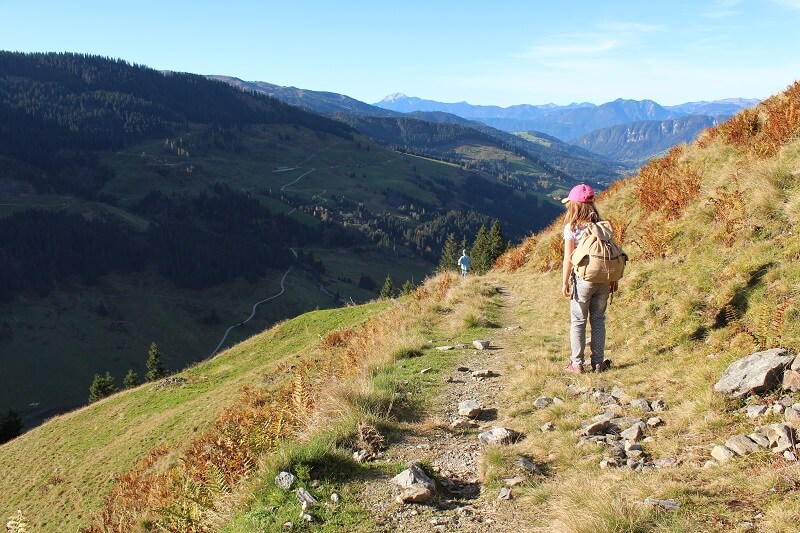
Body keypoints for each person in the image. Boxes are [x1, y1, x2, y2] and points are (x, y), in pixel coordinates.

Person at [561, 184, 616, 373]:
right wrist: (612, 278)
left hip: (582, 279)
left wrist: (565, 281)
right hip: (604, 279)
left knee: (578, 320)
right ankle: (598, 362)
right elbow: (610, 254)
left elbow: (569, 258)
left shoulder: (572, 228)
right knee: (599, 319)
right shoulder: (603, 226)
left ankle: (577, 363)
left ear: (574, 205)